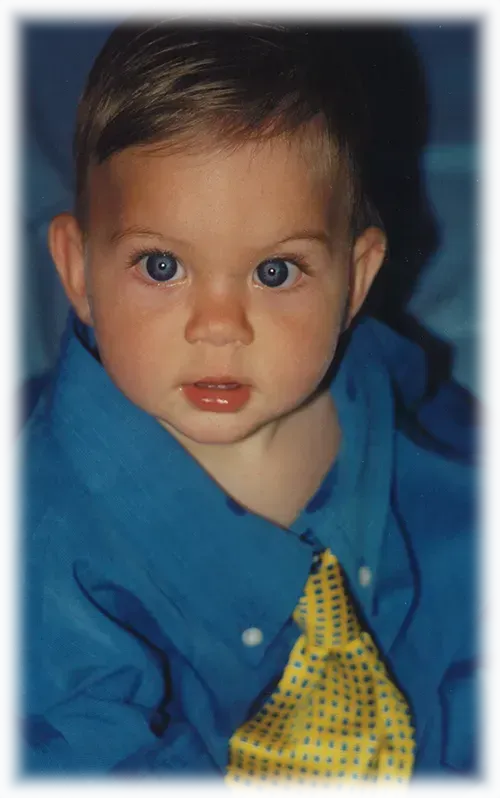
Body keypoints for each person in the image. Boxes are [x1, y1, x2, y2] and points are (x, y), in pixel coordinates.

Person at [0, 1, 498, 796]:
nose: (220, 327)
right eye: (161, 266)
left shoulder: (359, 371)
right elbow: (71, 758)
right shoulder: (46, 546)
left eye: (275, 272)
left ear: (353, 280)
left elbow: (449, 450)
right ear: (79, 271)